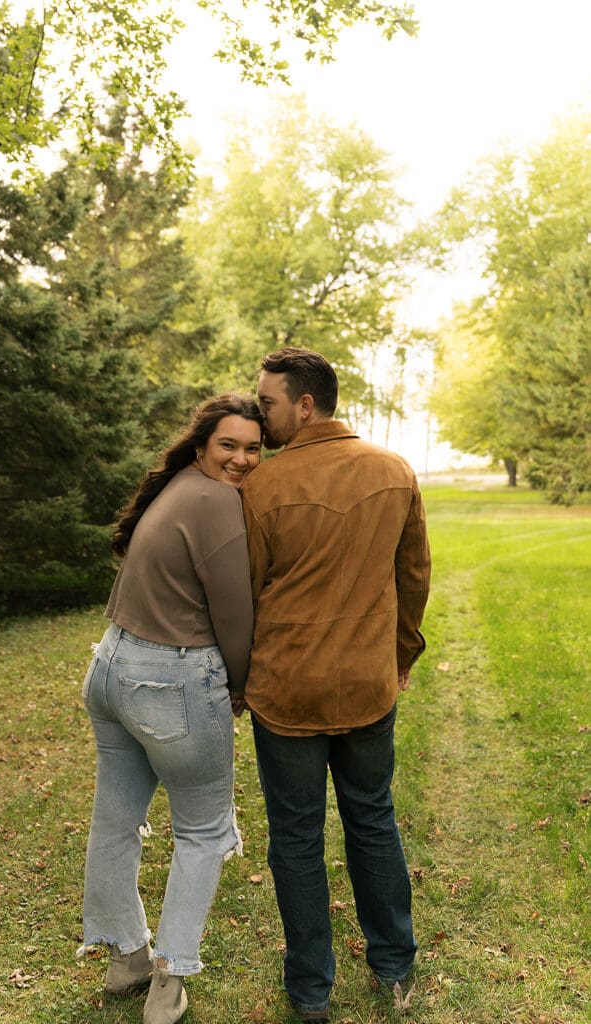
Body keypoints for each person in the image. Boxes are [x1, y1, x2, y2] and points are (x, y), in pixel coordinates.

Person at [240, 348, 431, 1024]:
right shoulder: (393, 471)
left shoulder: (260, 487)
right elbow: (413, 578)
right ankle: (394, 965)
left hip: (286, 688)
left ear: (305, 404)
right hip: (364, 685)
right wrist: (399, 653)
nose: (258, 415)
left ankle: (310, 991)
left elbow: (247, 593)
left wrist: (241, 680)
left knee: (295, 837)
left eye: (265, 402)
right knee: (372, 819)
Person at [79, 394, 263, 1024]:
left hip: (109, 667)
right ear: (202, 444)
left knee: (115, 821)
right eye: (228, 446)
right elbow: (235, 614)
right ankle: (169, 978)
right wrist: (239, 685)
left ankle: (126, 956)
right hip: (173, 680)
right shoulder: (217, 502)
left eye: (253, 448)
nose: (241, 459)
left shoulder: (177, 485)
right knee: (204, 831)